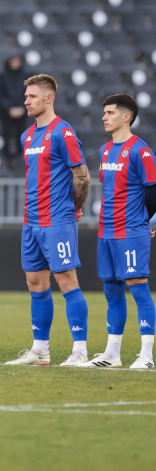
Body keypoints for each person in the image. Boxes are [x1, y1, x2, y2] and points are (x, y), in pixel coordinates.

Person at [5, 74, 91, 367]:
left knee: (66, 280)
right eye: (26, 96)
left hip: (57, 219)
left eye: (31, 96)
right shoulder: (27, 135)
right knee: (35, 282)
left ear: (49, 97)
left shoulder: (62, 132)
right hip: (31, 221)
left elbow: (82, 175)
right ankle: (40, 350)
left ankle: (80, 350)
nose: (26, 101)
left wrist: (75, 207)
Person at [79, 94, 156, 369]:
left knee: (139, 289)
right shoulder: (104, 151)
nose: (104, 117)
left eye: (110, 112)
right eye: (104, 112)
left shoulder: (141, 150)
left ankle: (146, 355)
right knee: (112, 291)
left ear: (126, 117)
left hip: (131, 231)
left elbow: (153, 191)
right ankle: (112, 354)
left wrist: (146, 222)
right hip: (106, 232)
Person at [0, 54, 31, 170]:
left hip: (23, 113)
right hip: (6, 114)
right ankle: (8, 160)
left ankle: (21, 161)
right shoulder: (1, 77)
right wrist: (9, 108)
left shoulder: (26, 77)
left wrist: (21, 108)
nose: (15, 64)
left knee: (22, 136)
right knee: (7, 136)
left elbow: (29, 94)